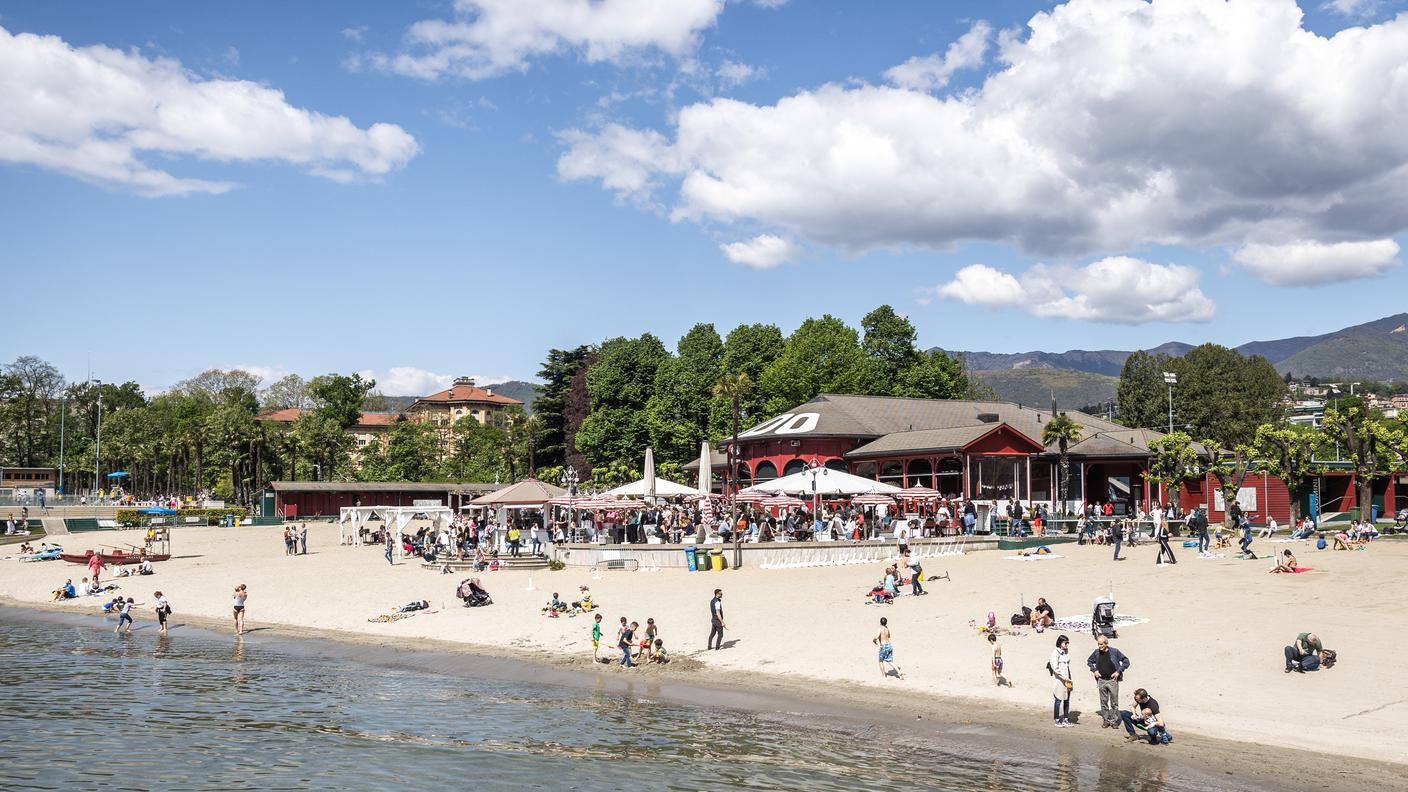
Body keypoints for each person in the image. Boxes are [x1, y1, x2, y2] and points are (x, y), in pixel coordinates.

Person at [1088, 636, 1131, 730]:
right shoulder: (1096, 652)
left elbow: (1126, 661)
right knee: (1103, 702)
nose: (1099, 646)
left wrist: (1119, 671)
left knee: (1114, 703)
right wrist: (1094, 670)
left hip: (1112, 681)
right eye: (1098, 644)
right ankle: (1106, 720)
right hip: (1101, 680)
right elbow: (1089, 661)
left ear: (1106, 643)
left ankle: (1114, 721)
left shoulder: (1114, 651)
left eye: (1101, 644)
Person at [1049, 635, 1074, 727]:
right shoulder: (1055, 653)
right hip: (1059, 680)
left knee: (1067, 699)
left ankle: (1066, 719)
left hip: (1068, 678)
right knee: (1058, 699)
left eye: (1068, 643)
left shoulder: (1066, 652)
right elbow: (1055, 668)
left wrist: (1068, 678)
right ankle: (1057, 719)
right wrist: (1063, 677)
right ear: (1060, 643)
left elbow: (1067, 665)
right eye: (1065, 643)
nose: (1067, 644)